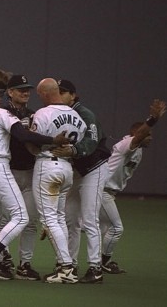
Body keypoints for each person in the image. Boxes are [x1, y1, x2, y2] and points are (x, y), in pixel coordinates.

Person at [0, 81, 69, 281]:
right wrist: (53, 140)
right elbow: (23, 135)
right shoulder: (0, 113)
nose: (0, 98)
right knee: (21, 217)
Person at [53, 79, 111, 284]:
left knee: (89, 218)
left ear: (73, 95)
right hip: (77, 171)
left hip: (94, 168)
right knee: (70, 219)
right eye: (57, 92)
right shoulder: (58, 113)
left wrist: (74, 150)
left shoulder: (85, 114)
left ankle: (95, 268)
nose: (59, 95)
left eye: (63, 92)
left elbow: (92, 141)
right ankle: (70, 265)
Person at [30, 78, 86, 284]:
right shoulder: (77, 116)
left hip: (47, 167)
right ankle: (66, 263)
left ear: (45, 94)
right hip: (67, 168)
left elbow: (34, 144)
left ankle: (66, 268)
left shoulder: (43, 113)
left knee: (49, 219)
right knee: (59, 217)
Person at [100, 99, 166, 274]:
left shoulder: (138, 150)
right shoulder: (127, 145)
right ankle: (104, 262)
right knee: (116, 228)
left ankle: (98, 261)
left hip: (108, 192)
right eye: (148, 134)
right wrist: (153, 118)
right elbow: (140, 135)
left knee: (103, 229)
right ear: (136, 133)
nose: (150, 137)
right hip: (102, 191)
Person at [4, 74, 42, 280]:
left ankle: (25, 264)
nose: (26, 92)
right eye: (21, 89)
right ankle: (3, 259)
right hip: (7, 172)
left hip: (29, 172)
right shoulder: (1, 113)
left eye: (27, 89)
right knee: (3, 219)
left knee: (30, 222)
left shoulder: (34, 114)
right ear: (10, 92)